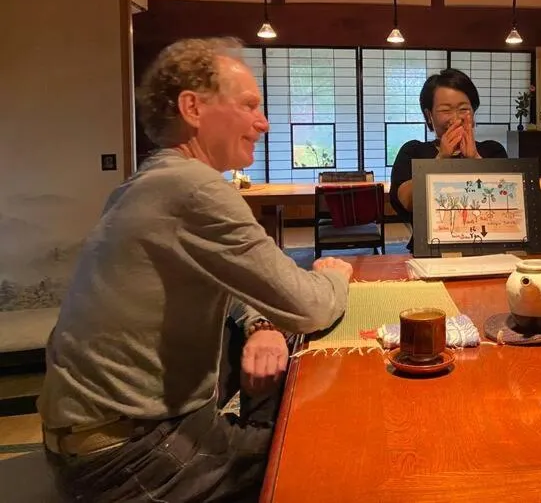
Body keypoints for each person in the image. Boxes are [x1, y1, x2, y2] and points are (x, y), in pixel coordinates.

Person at [39, 37, 352, 502]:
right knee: (329, 453)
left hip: (91, 442)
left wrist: (263, 322)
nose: (262, 122)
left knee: (281, 374)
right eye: (248, 105)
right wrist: (336, 275)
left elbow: (243, 282)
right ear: (193, 108)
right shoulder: (193, 188)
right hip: (130, 460)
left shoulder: (146, 182)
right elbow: (308, 305)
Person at [389, 68, 509, 249]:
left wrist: (475, 159)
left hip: (491, 247)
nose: (456, 118)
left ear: (473, 113)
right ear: (429, 116)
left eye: (464, 109)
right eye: (446, 110)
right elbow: (407, 201)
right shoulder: (413, 151)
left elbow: (506, 201)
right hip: (429, 249)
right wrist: (441, 159)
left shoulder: (493, 151)